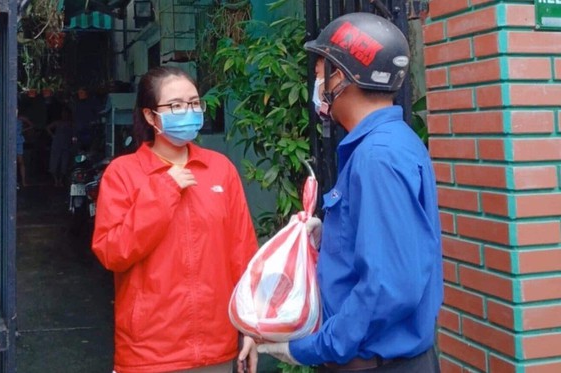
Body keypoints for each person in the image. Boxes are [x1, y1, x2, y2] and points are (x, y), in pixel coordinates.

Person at [246, 13, 443, 373]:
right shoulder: (393, 144)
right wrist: (331, 235)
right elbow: (391, 249)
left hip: (377, 365)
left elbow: (389, 286)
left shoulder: (376, 158)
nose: (317, 82)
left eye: (321, 72)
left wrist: (312, 347)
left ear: (342, 77)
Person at [91, 66, 259, 373]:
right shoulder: (123, 174)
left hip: (217, 349)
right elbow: (112, 252)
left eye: (194, 103)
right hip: (150, 353)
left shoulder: (219, 169)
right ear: (151, 116)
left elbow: (243, 255)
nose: (189, 111)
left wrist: (250, 328)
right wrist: (164, 191)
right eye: (176, 105)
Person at [47, 106, 76, 187]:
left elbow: (74, 135)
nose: (64, 115)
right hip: (56, 145)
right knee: (54, 163)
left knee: (64, 163)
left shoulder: (71, 123)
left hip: (66, 145)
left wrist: (73, 142)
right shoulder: (57, 122)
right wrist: (53, 136)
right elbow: (48, 128)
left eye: (66, 114)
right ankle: (56, 180)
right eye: (63, 114)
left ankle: (61, 180)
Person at [17, 109, 34, 189]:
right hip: (11, 141)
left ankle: (23, 182)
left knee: (20, 162)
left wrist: (22, 130)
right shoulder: (9, 117)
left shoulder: (21, 118)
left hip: (19, 141)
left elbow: (31, 125)